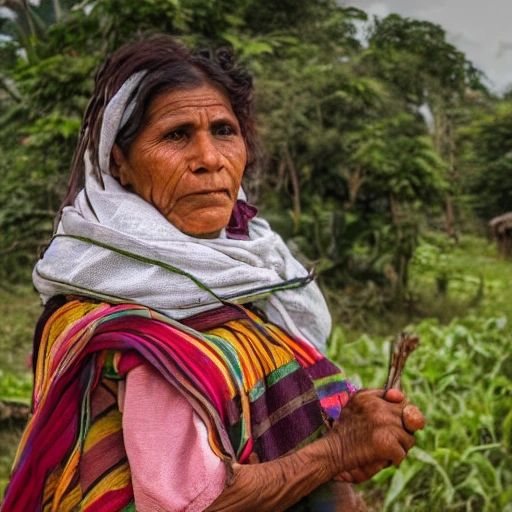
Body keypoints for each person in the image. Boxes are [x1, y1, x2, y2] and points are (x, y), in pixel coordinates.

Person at [2, 35, 425, 512]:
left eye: (223, 130)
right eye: (176, 134)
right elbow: (195, 503)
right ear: (118, 162)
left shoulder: (248, 268)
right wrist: (338, 450)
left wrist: (346, 427)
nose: (209, 158)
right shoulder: (129, 316)